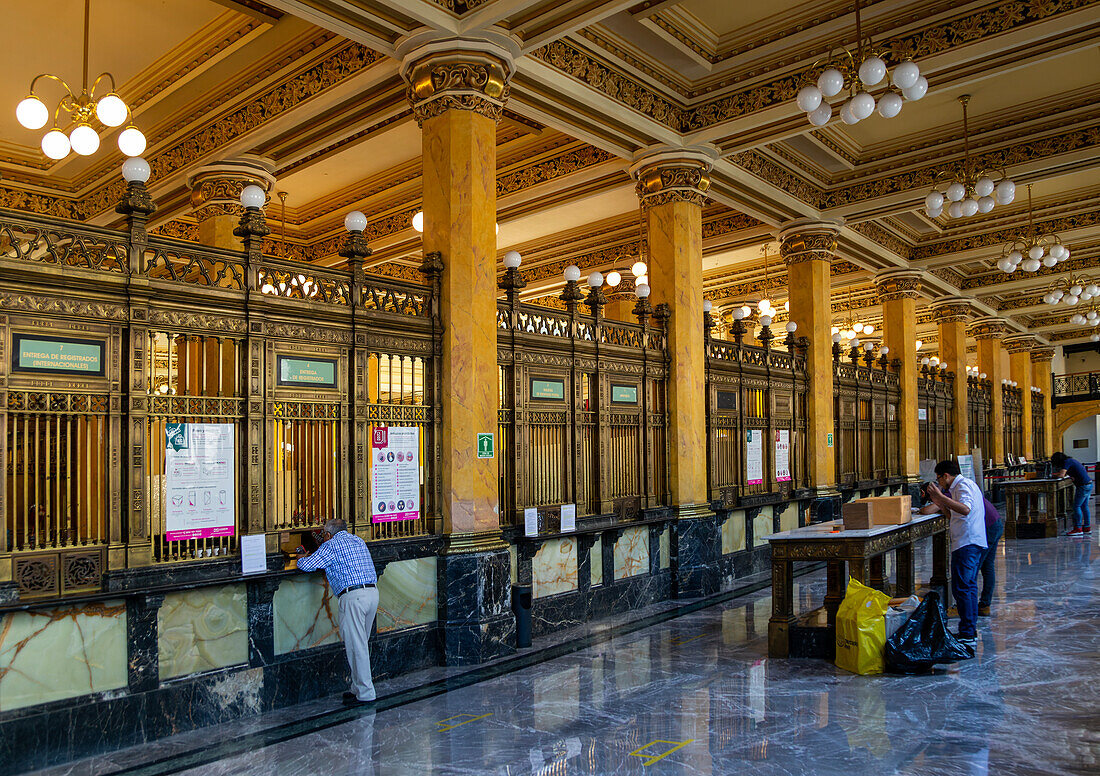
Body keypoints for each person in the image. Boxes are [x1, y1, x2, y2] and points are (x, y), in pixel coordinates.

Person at [296, 518, 379, 705]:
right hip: (372, 594)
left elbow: (307, 565)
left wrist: (301, 558)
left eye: (324, 534)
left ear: (327, 534)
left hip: (353, 598)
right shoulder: (358, 540)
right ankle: (357, 688)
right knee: (360, 644)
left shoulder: (331, 545)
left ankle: (366, 694)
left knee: (356, 646)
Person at [921, 460, 987, 647]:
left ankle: (967, 633)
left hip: (968, 544)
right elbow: (953, 515)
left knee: (962, 588)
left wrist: (941, 497)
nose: (939, 482)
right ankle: (969, 630)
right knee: (969, 587)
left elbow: (965, 510)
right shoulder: (961, 486)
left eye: (938, 479)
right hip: (970, 542)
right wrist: (940, 503)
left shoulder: (963, 485)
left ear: (945, 476)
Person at [1051, 451, 1093, 535]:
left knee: (1076, 506)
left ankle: (1078, 529)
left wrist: (1053, 475)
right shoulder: (1070, 460)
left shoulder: (1067, 462)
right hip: (1088, 484)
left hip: (1083, 486)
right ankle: (1087, 528)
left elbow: (1062, 475)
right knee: (1084, 506)